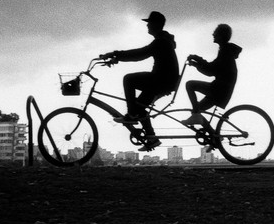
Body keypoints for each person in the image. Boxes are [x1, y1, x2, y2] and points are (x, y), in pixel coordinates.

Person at [101, 11, 179, 151]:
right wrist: (117, 57)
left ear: (155, 25)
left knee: (129, 79)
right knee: (140, 106)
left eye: (149, 23)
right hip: (164, 80)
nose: (147, 25)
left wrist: (115, 54)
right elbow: (140, 54)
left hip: (162, 80)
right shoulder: (163, 40)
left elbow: (140, 54)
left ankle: (131, 114)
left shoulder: (161, 42)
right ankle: (152, 138)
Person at [182, 24, 242, 125]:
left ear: (221, 35)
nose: (213, 34)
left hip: (218, 90)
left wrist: (196, 60)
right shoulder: (226, 51)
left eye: (215, 32)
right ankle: (214, 138)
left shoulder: (225, 52)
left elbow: (210, 70)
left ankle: (196, 115)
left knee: (190, 85)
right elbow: (211, 69)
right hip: (221, 91)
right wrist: (196, 62)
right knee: (196, 111)